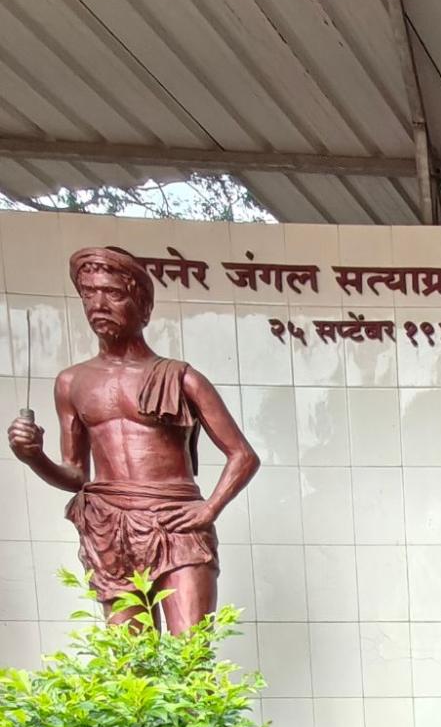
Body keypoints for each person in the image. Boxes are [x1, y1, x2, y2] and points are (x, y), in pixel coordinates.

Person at [6, 245, 258, 630]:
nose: (99, 304)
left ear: (143, 306)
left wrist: (208, 510)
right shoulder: (72, 382)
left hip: (177, 527)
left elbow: (243, 455)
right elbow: (76, 474)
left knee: (190, 654)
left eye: (113, 293)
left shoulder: (180, 377)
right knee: (130, 664)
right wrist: (33, 457)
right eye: (89, 293)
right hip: (112, 528)